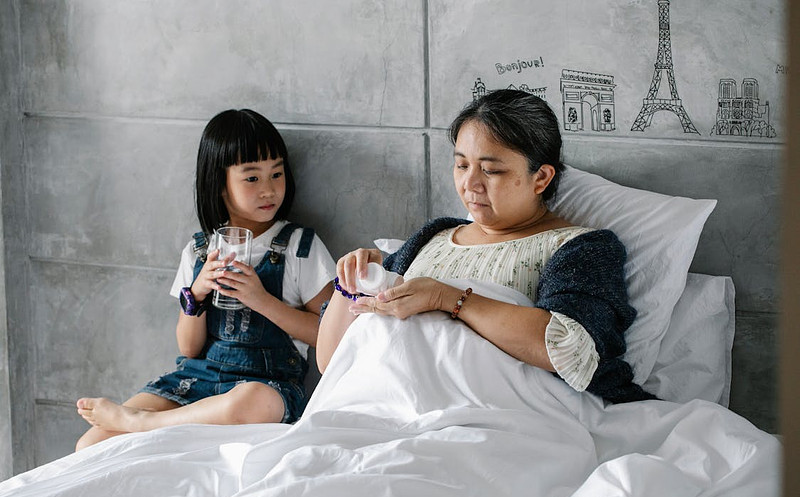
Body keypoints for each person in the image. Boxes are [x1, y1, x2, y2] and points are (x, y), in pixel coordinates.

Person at [317, 90, 654, 404]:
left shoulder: (580, 248)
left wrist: (446, 298)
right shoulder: (432, 238)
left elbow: (568, 350)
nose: (470, 184)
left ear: (541, 178)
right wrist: (349, 284)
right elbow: (331, 364)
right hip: (387, 404)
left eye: (491, 170)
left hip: (497, 413)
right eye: (462, 165)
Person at [76, 109, 336, 450]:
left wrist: (261, 301)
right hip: (198, 379)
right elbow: (188, 348)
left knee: (251, 401)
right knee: (91, 444)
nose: (269, 189)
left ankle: (144, 423)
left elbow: (329, 335)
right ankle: (150, 421)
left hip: (265, 385)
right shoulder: (199, 251)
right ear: (220, 185)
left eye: (277, 173)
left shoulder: (300, 247)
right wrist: (196, 293)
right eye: (252, 178)